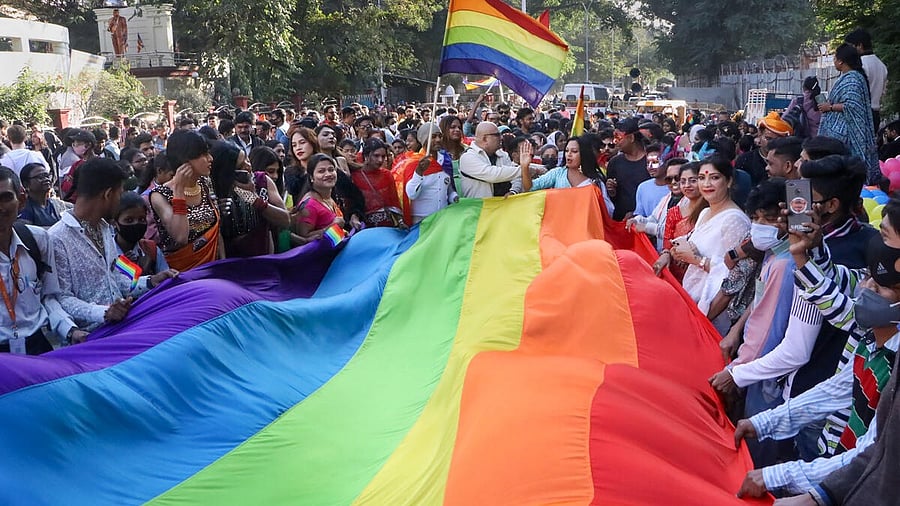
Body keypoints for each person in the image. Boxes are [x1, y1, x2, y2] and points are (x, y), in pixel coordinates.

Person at [738, 201, 900, 503]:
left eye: (886, 235)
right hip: (835, 450)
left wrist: (786, 478)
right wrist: (765, 423)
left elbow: (874, 453)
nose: (864, 291)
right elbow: (842, 386)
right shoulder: (873, 324)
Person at [50, 158, 176, 332]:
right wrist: (104, 312)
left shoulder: (104, 229)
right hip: (90, 340)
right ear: (108, 194)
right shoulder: (57, 238)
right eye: (119, 194)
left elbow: (114, 278)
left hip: (123, 327)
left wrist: (150, 282)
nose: (120, 200)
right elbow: (62, 298)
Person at [0, 167, 83, 353]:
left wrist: (70, 330)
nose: (0, 207)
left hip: (38, 346)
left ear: (21, 200)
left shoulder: (38, 240)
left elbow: (49, 296)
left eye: (5, 198)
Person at [670, 156, 751, 319]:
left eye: (714, 178)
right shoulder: (705, 212)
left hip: (715, 308)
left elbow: (736, 274)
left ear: (728, 181)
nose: (706, 184)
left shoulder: (734, 220)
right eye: (701, 178)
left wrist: (697, 260)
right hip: (692, 298)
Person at [149, 130, 223, 271]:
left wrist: (222, 264)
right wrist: (179, 190)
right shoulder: (160, 195)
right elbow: (181, 236)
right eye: (203, 154)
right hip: (183, 275)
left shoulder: (204, 183)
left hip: (214, 269)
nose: (210, 159)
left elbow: (216, 232)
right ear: (185, 160)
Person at [209, 141, 289, 257]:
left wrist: (254, 199)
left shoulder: (262, 181)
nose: (248, 166)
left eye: (247, 159)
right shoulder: (211, 190)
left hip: (261, 259)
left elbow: (285, 220)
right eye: (240, 166)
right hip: (230, 264)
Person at [817, 43, 880, 185]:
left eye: (834, 58)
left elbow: (852, 106)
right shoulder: (851, 77)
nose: (834, 61)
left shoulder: (852, 79)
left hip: (848, 135)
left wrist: (830, 107)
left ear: (841, 61)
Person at [627, 158, 689, 252]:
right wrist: (637, 220)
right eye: (669, 179)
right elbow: (654, 218)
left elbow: (676, 232)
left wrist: (646, 227)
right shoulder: (667, 198)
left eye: (677, 178)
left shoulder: (691, 202)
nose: (673, 182)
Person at [402, 123, 458, 225]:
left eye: (440, 136)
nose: (438, 140)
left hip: (442, 219)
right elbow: (411, 194)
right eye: (433, 137)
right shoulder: (414, 162)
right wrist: (419, 172)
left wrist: (454, 196)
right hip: (422, 221)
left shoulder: (445, 160)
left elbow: (448, 187)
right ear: (423, 139)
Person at [459, 121, 524, 198]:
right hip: (478, 208)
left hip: (504, 206)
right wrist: (524, 170)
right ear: (485, 139)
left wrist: (513, 191)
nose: (501, 137)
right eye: (497, 135)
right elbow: (492, 175)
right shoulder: (467, 157)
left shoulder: (502, 154)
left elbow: (515, 177)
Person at [352, 138, 405, 228]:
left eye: (383, 156)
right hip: (364, 228)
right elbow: (351, 205)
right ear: (366, 156)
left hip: (386, 226)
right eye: (376, 156)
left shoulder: (387, 175)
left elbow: (394, 203)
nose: (380, 160)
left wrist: (400, 222)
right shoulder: (354, 176)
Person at [114, 192, 169, 277]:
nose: (136, 224)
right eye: (129, 220)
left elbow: (166, 279)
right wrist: (129, 270)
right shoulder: (107, 253)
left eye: (142, 219)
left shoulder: (150, 249)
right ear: (115, 223)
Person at [292, 153, 344, 242]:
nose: (328, 174)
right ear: (312, 177)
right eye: (321, 171)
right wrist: (332, 227)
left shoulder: (327, 197)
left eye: (331, 170)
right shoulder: (310, 205)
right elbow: (303, 239)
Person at [845, 28, 888, 134]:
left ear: (859, 45)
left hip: (861, 114)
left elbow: (854, 93)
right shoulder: (881, 65)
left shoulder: (860, 65)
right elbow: (883, 92)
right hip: (875, 114)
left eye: (851, 46)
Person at [606, 118, 649, 221]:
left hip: (646, 222)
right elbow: (612, 199)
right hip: (620, 222)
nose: (615, 142)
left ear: (631, 138)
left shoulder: (650, 162)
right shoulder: (614, 163)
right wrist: (611, 191)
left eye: (619, 137)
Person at [736, 112, 794, 186]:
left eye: (777, 139)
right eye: (768, 138)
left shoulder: (788, 160)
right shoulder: (745, 160)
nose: (772, 143)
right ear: (760, 135)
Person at [17, 163, 70, 227]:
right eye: (40, 177)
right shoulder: (25, 210)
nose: (46, 179)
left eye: (47, 176)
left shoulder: (56, 204)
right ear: (26, 184)